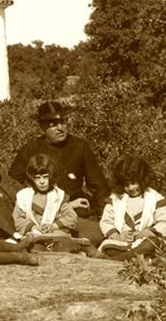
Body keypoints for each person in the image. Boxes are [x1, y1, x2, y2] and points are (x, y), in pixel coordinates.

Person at [9, 100, 109, 244]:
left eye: (63, 122)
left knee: (98, 236)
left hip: (75, 212)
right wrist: (33, 204)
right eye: (53, 125)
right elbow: (12, 183)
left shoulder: (80, 146)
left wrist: (105, 217)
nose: (60, 128)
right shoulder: (30, 149)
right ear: (42, 126)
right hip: (39, 214)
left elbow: (99, 185)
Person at [99, 155, 166, 261]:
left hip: (146, 241)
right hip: (123, 243)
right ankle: (129, 257)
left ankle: (116, 260)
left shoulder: (155, 198)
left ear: (142, 179)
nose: (131, 188)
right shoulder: (115, 199)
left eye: (134, 183)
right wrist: (116, 236)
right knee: (109, 247)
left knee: (152, 244)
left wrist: (148, 232)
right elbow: (106, 221)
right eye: (126, 185)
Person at [13, 154, 90, 255]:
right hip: (35, 236)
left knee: (65, 249)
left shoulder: (58, 195)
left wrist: (54, 226)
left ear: (51, 177)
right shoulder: (24, 196)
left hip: (56, 236)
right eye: (37, 178)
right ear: (32, 179)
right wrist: (33, 227)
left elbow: (71, 217)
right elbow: (17, 218)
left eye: (45, 177)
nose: (42, 181)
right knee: (35, 251)